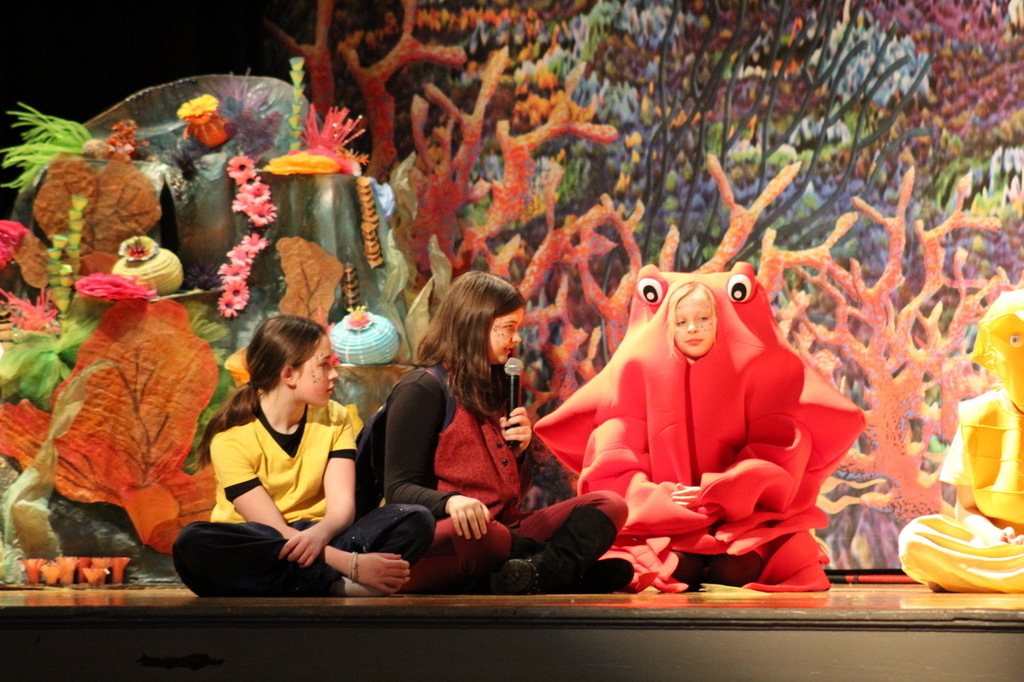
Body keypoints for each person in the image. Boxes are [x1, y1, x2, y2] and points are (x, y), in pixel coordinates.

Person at [535, 263, 865, 592]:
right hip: (664, 519)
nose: (692, 329)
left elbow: (780, 449)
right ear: (669, 326)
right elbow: (615, 451)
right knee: (673, 567)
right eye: (681, 322)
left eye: (703, 318)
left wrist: (722, 490)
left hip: (740, 518)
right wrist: (660, 498)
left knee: (741, 567)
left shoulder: (757, 372)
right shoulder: (638, 375)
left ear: (718, 320)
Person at [383, 270, 630, 594]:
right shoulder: (422, 389)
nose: (517, 339)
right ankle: (562, 571)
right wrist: (451, 503)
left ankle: (533, 573)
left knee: (610, 504)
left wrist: (520, 453)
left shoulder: (499, 383)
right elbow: (398, 488)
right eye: (509, 328)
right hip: (457, 531)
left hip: (507, 526)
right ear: (475, 326)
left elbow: (513, 492)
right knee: (480, 531)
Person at [172, 314, 434, 597]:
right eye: (323, 365)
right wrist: (351, 564)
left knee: (414, 518)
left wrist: (320, 534)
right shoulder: (230, 438)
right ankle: (336, 585)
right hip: (264, 542)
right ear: (289, 374)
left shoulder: (335, 417)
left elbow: (342, 509)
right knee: (194, 541)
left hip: (322, 534)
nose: (334, 374)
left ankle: (298, 585)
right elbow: (273, 529)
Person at [899, 289, 1024, 592]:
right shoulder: (979, 414)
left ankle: (986, 579)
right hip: (998, 550)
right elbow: (966, 508)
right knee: (917, 539)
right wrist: (994, 538)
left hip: (1006, 561)